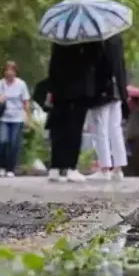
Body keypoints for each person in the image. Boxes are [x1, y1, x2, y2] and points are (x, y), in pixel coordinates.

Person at [45, 41, 100, 182]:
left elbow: (53, 66)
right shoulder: (89, 40)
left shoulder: (60, 39)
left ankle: (56, 167)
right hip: (79, 91)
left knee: (59, 129)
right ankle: (70, 167)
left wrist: (51, 89)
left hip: (60, 91)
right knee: (74, 129)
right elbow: (94, 61)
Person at [87, 35, 130, 181]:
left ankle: (105, 168)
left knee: (100, 130)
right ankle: (118, 168)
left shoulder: (95, 40)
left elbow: (95, 68)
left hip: (101, 91)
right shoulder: (116, 39)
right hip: (117, 89)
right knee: (115, 129)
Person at [0, 61, 30, 177]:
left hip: (17, 118)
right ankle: (1, 166)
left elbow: (26, 102)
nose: (9, 73)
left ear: (16, 72)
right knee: (3, 141)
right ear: (4, 72)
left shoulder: (21, 84)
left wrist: (27, 117)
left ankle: (10, 169)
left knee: (13, 144)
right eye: (7, 70)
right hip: (4, 118)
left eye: (12, 70)